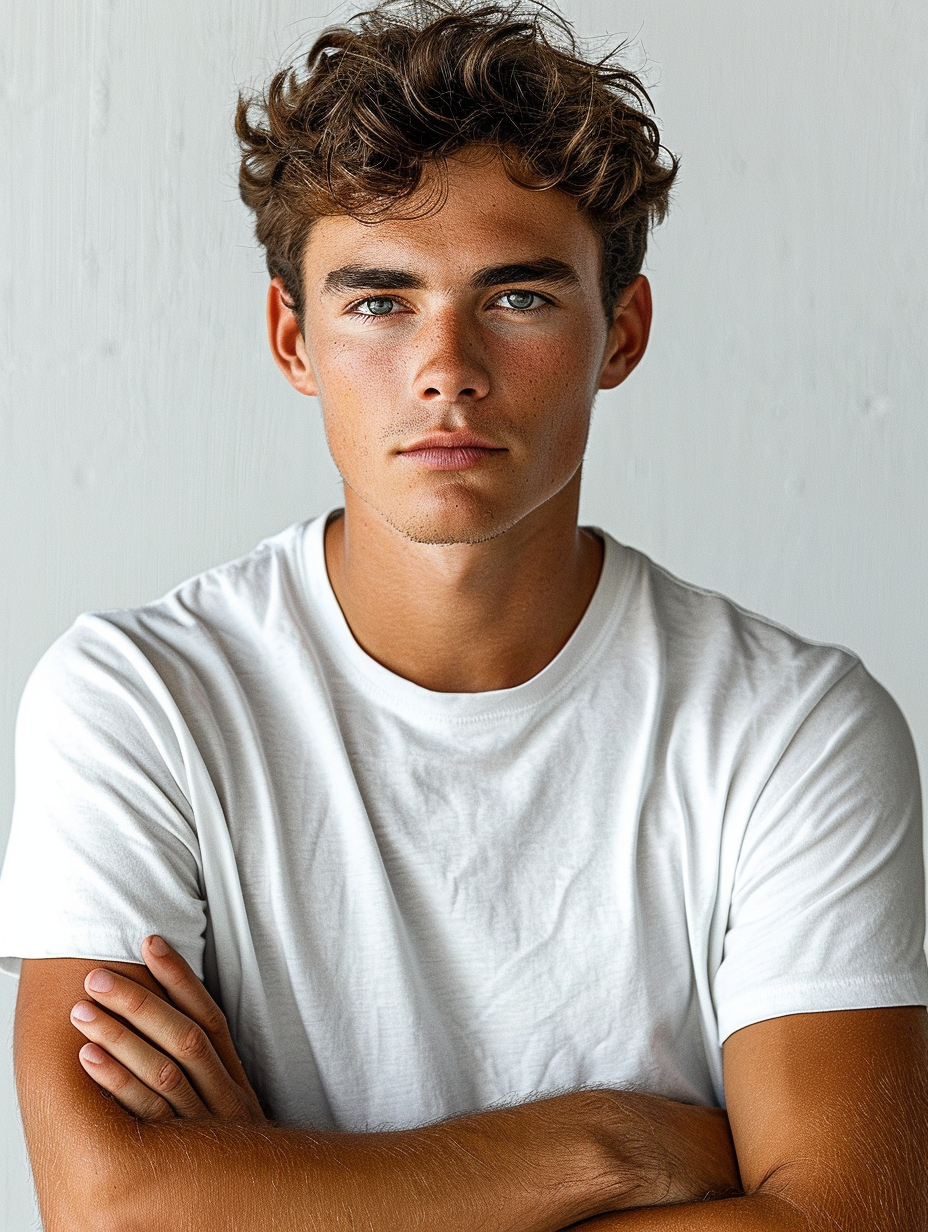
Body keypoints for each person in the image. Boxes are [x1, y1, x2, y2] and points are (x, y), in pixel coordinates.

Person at [2, 2, 927, 1229]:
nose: (446, 366)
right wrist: (608, 1145)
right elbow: (114, 1204)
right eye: (378, 301)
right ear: (294, 339)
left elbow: (841, 1222)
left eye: (519, 297)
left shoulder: (790, 728)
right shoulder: (137, 699)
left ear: (622, 333)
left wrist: (275, 1193)